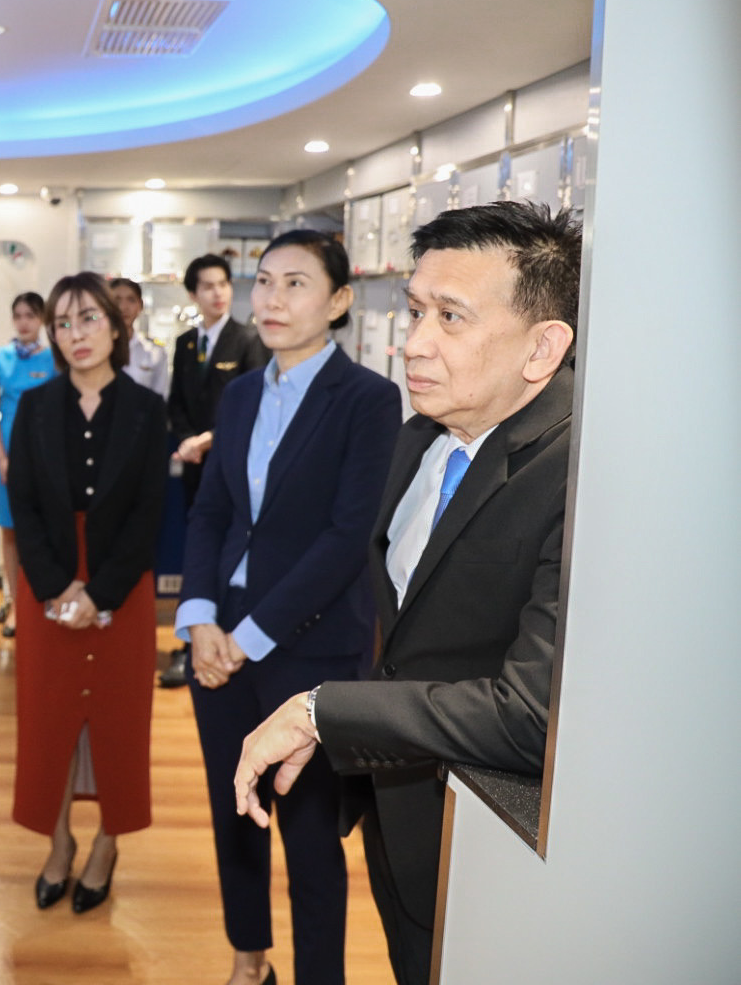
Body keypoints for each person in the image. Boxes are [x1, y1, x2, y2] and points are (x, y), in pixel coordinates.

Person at [232, 202, 580, 985]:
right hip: (399, 816)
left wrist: (321, 712)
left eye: (450, 317)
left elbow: (533, 718)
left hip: (495, 844)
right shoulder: (421, 434)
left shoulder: (579, 476)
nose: (414, 342)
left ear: (542, 347)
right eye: (416, 310)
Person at [178, 231, 401, 985]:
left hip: (309, 647)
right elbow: (212, 512)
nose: (272, 299)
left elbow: (346, 538)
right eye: (265, 281)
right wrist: (199, 619)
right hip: (220, 635)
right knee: (234, 815)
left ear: (339, 301)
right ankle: (249, 958)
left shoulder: (369, 399)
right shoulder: (240, 393)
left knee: (309, 838)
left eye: (296, 284)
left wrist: (244, 638)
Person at [6, 273, 168, 915]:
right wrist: (56, 587)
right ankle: (59, 842)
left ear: (116, 325)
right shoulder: (34, 406)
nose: (77, 334)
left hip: (121, 584)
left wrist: (98, 593)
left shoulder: (147, 408)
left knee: (119, 720)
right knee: (47, 720)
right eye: (64, 323)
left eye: (90, 319)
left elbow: (148, 513)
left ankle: (107, 841)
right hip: (46, 580)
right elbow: (23, 507)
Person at [158, 254, 270, 689]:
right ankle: (192, 640)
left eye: (223, 284)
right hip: (194, 469)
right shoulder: (187, 343)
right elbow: (176, 403)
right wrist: (188, 439)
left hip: (232, 467)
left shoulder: (247, 339)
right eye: (207, 286)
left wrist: (206, 440)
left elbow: (254, 407)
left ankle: (227, 638)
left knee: (231, 549)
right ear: (193, 294)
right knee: (198, 549)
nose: (217, 293)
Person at [0, 292, 56, 634]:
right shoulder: (0, 357)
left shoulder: (54, 359)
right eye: (19, 316)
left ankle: (41, 600)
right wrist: (1, 457)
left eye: (31, 315)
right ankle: (13, 602)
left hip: (44, 456)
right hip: (8, 456)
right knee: (10, 530)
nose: (24, 322)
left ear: (42, 319)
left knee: (43, 530)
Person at [108, 276, 171, 396]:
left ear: (140, 305)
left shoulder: (155, 351)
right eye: (117, 300)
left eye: (131, 300)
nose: (123, 307)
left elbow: (161, 394)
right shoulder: (97, 349)